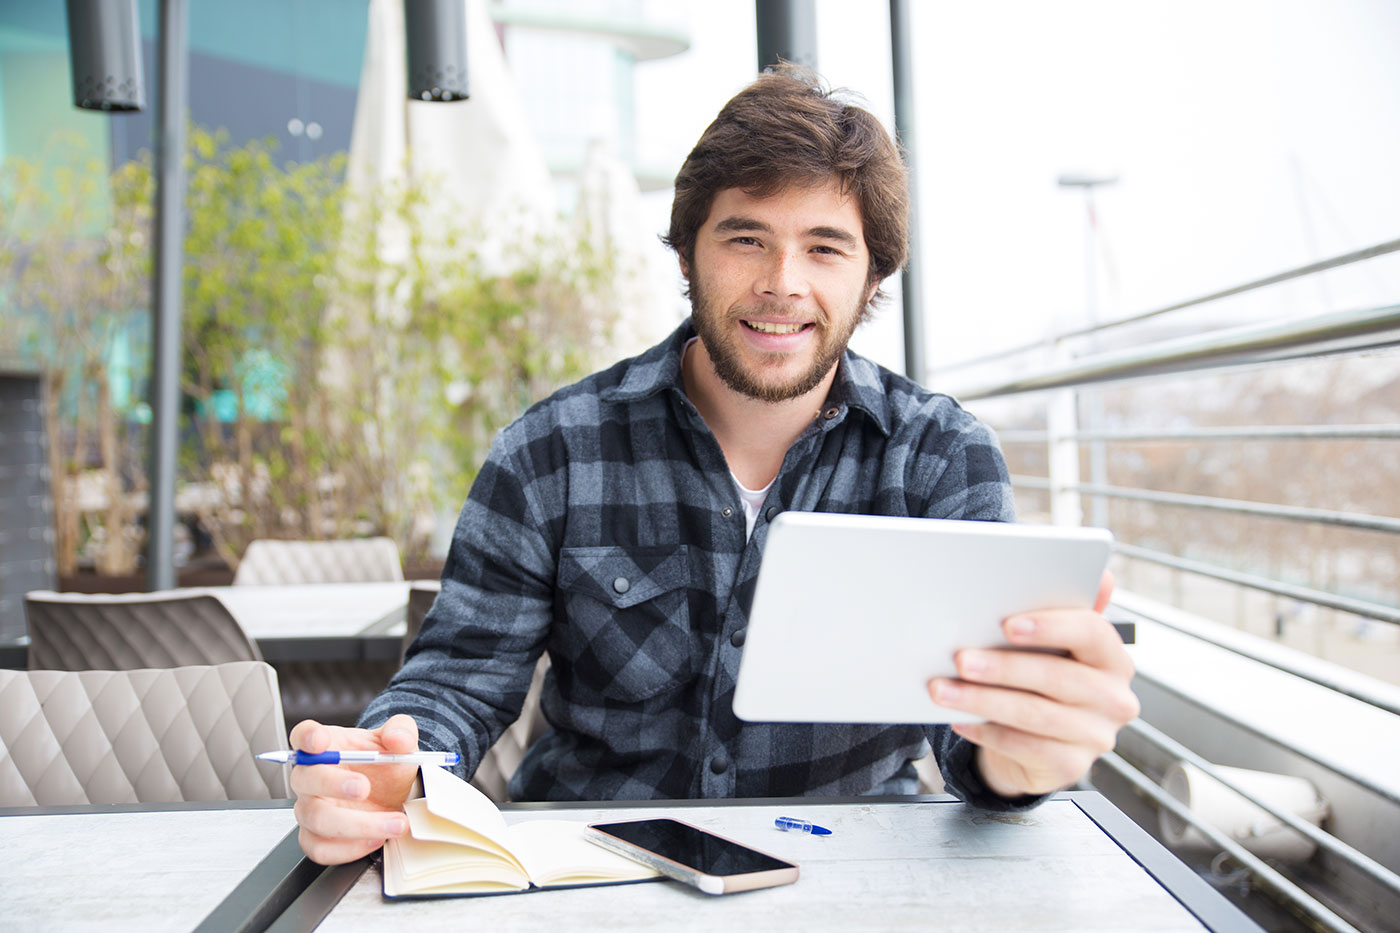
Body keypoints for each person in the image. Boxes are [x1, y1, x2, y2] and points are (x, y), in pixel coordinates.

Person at [290, 66, 1139, 866]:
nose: (782, 283)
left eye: (825, 248)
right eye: (746, 238)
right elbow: (459, 681)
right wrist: (387, 762)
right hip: (592, 874)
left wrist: (1021, 759)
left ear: (873, 273)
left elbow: (973, 742)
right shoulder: (549, 450)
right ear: (689, 250)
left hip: (848, 877)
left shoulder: (941, 458)